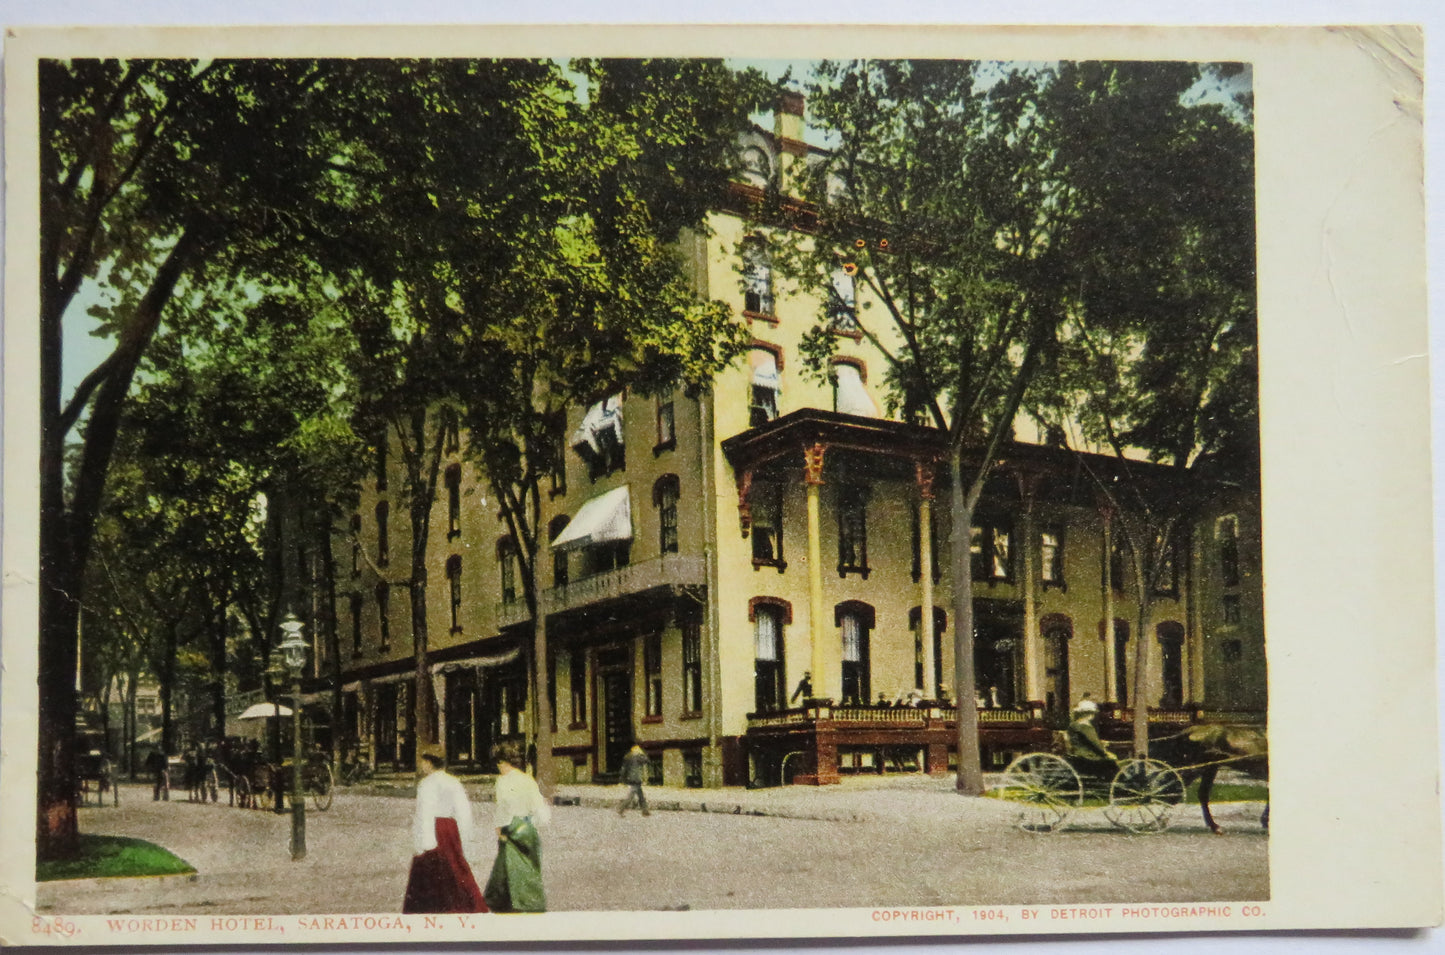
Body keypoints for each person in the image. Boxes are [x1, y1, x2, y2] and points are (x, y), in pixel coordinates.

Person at [402, 746, 487, 914]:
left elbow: (425, 813)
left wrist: (425, 842)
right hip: (450, 828)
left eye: (423, 762)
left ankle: (431, 908)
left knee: (430, 869)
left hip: (434, 828)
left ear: (428, 763)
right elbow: (463, 811)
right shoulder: (453, 782)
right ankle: (464, 905)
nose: (422, 765)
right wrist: (464, 834)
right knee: (454, 866)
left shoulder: (426, 784)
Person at [484, 742, 550, 913]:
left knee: (509, 865)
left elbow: (503, 806)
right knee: (528, 864)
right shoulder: (527, 779)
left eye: (499, 763)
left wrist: (499, 827)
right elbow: (539, 807)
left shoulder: (502, 781)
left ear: (502, 763)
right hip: (527, 826)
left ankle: (509, 901)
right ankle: (532, 900)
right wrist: (534, 824)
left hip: (511, 825)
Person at [1065, 697, 1118, 773]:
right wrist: (1105, 753)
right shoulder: (1085, 726)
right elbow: (1095, 743)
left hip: (1077, 755)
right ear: (1089, 713)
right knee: (1112, 761)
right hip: (1087, 756)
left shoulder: (1074, 725)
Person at [617, 744, 651, 817]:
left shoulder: (628, 756)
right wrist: (642, 753)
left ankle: (645, 811)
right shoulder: (639, 756)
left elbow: (624, 769)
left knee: (641, 795)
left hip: (631, 778)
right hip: (636, 778)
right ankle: (621, 809)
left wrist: (623, 778)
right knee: (630, 796)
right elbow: (647, 760)